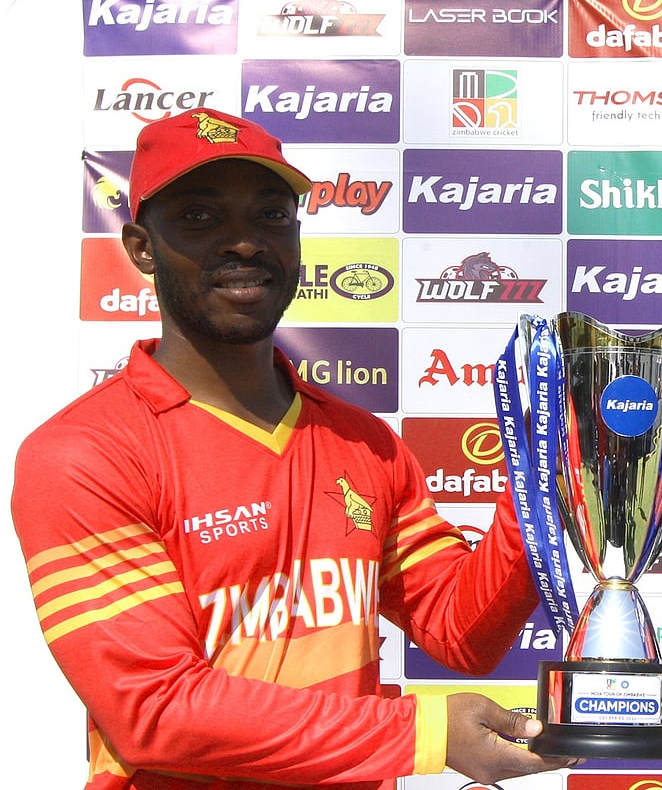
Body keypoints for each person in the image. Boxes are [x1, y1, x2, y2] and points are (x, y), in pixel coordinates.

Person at [10, 108, 574, 790]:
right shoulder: (82, 454)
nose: (244, 243)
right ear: (140, 247)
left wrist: (546, 471)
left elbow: (461, 630)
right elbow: (152, 711)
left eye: (271, 215)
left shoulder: (363, 442)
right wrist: (426, 733)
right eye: (199, 217)